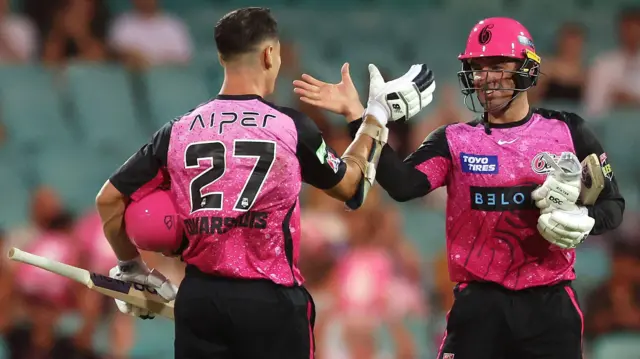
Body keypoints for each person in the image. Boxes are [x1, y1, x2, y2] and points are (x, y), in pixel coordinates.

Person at [94, 6, 434, 359]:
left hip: (200, 300)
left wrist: (133, 267)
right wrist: (368, 115)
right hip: (270, 304)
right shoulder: (289, 127)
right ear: (270, 54)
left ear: (221, 56)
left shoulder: (177, 131)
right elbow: (354, 188)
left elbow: (110, 200)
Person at [293, 17, 625, 359]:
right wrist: (361, 116)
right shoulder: (454, 140)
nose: (485, 78)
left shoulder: (570, 130)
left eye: (497, 65)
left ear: (526, 68)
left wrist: (585, 218)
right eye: (478, 68)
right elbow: (403, 186)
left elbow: (613, 204)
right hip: (478, 308)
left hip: (550, 306)